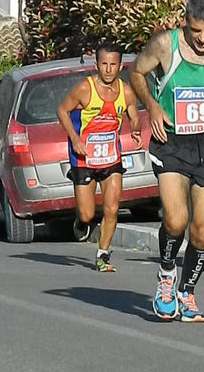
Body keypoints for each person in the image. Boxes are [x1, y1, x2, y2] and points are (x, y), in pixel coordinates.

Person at [129, 0, 204, 322]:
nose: (203, 39)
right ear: (187, 22)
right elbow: (136, 72)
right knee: (176, 219)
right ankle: (166, 275)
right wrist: (151, 107)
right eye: (196, 31)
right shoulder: (166, 44)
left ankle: (187, 292)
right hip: (173, 142)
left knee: (203, 228)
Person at [57, 43, 142, 272]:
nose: (108, 69)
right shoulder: (85, 89)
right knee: (87, 213)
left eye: (113, 64)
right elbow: (62, 110)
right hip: (84, 157)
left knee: (111, 209)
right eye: (104, 64)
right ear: (97, 65)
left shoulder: (126, 91)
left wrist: (135, 128)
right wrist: (75, 139)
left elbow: (133, 114)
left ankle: (103, 255)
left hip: (111, 157)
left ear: (120, 65)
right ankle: (80, 221)